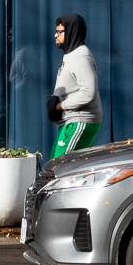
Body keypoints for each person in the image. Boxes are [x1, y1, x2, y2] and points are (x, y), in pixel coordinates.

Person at [47, 13, 101, 159]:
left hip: (80, 121)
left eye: (59, 32)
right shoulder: (70, 55)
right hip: (71, 122)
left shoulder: (80, 57)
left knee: (60, 166)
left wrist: (60, 106)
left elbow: (88, 92)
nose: (55, 35)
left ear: (71, 32)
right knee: (55, 165)